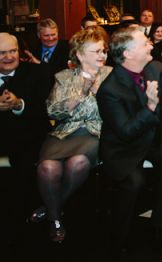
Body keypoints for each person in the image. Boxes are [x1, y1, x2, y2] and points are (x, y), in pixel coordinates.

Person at [96, 27, 162, 251]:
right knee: (134, 182)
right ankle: (119, 237)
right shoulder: (109, 89)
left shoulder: (156, 68)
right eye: (144, 43)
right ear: (128, 54)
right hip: (123, 147)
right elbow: (126, 131)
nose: (151, 45)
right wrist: (150, 107)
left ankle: (160, 225)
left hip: (155, 137)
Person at [34, 27, 111, 242]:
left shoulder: (111, 75)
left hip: (95, 132)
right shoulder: (64, 76)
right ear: (79, 54)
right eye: (96, 51)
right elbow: (52, 110)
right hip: (64, 133)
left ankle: (51, 209)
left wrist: (96, 92)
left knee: (77, 163)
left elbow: (115, 109)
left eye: (103, 51)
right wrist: (77, 97)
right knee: (47, 167)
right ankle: (55, 218)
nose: (102, 55)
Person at [0, 33, 52, 227]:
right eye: (2, 53)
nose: (9, 57)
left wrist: (18, 104)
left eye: (13, 51)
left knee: (25, 163)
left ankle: (24, 217)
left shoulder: (37, 73)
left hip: (30, 138)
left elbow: (44, 110)